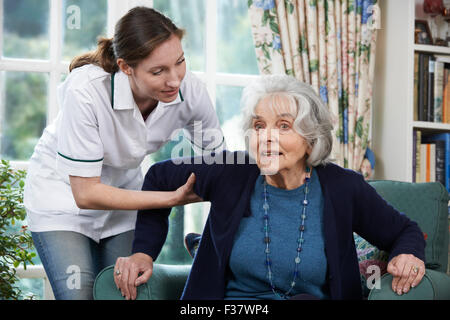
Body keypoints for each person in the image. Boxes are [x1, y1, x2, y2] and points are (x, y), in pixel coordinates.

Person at [114, 75, 426, 300]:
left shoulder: (343, 187)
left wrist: (408, 255)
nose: (266, 137)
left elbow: (405, 231)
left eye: (284, 126)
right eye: (259, 126)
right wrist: (143, 252)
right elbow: (156, 177)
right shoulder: (231, 172)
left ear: (310, 139)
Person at [23, 6, 224, 300]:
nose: (175, 80)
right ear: (126, 67)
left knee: (123, 295)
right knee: (79, 295)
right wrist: (170, 198)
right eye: (158, 71)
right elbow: (86, 193)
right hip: (63, 199)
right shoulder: (86, 89)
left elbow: (220, 163)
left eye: (180, 62)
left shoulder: (190, 91)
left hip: (124, 200)